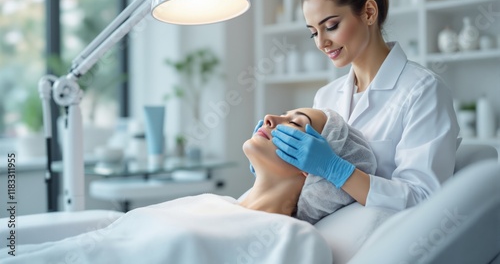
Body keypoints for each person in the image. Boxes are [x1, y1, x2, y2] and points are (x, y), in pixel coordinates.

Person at [2, 108, 375, 264]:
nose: (270, 117)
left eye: (296, 124)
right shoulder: (211, 201)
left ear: (314, 167)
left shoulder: (293, 238)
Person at [267, 0, 460, 212]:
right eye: (312, 32)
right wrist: (276, 159)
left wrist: (338, 170)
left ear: (369, 12)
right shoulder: (326, 96)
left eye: (331, 26)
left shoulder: (423, 91)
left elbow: (423, 199)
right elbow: (311, 185)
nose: (321, 42)